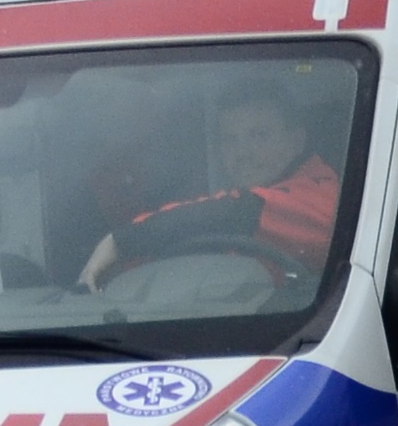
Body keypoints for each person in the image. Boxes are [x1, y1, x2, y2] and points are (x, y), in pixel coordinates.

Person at [85, 86, 342, 290]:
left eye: (259, 136)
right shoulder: (227, 207)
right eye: (230, 140)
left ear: (296, 141)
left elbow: (234, 214)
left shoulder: (323, 197)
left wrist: (118, 243)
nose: (243, 153)